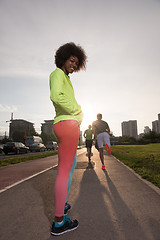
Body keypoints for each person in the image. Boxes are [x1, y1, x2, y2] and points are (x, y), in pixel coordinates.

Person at [49, 42, 87, 235]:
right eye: (72, 60)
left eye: (76, 63)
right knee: (64, 172)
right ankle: (58, 223)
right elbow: (56, 97)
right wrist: (77, 111)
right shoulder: (57, 73)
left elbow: (66, 99)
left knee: (69, 169)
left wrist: (78, 116)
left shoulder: (66, 77)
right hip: (66, 124)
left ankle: (62, 204)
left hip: (69, 125)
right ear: (64, 57)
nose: (74, 65)